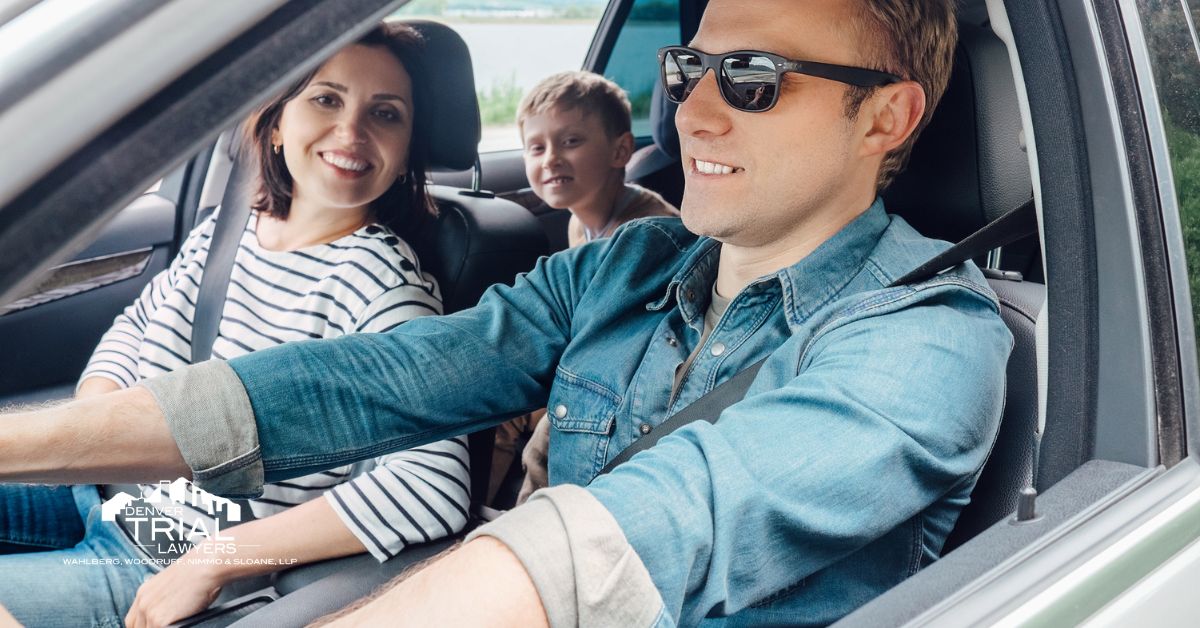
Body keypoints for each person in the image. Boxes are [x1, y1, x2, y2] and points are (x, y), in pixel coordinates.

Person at [0, 1, 1014, 625]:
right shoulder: (632, 263)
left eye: (752, 81)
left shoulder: (926, 339)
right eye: (689, 69)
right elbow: (366, 382)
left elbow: (632, 534)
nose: (692, 114)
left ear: (887, 116)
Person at [0, 23, 472, 628]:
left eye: (386, 114)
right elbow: (135, 325)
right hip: (101, 499)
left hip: (158, 563)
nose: (352, 132)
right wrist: (96, 440)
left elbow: (431, 487)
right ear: (276, 123)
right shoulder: (229, 233)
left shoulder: (384, 288)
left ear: (408, 148)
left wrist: (218, 560)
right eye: (326, 99)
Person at [488, 70, 680, 506]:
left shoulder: (646, 233)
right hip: (598, 357)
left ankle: (524, 520)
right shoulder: (583, 221)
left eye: (571, 142)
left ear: (620, 151)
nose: (550, 159)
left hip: (632, 375)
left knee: (548, 426)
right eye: (537, 148)